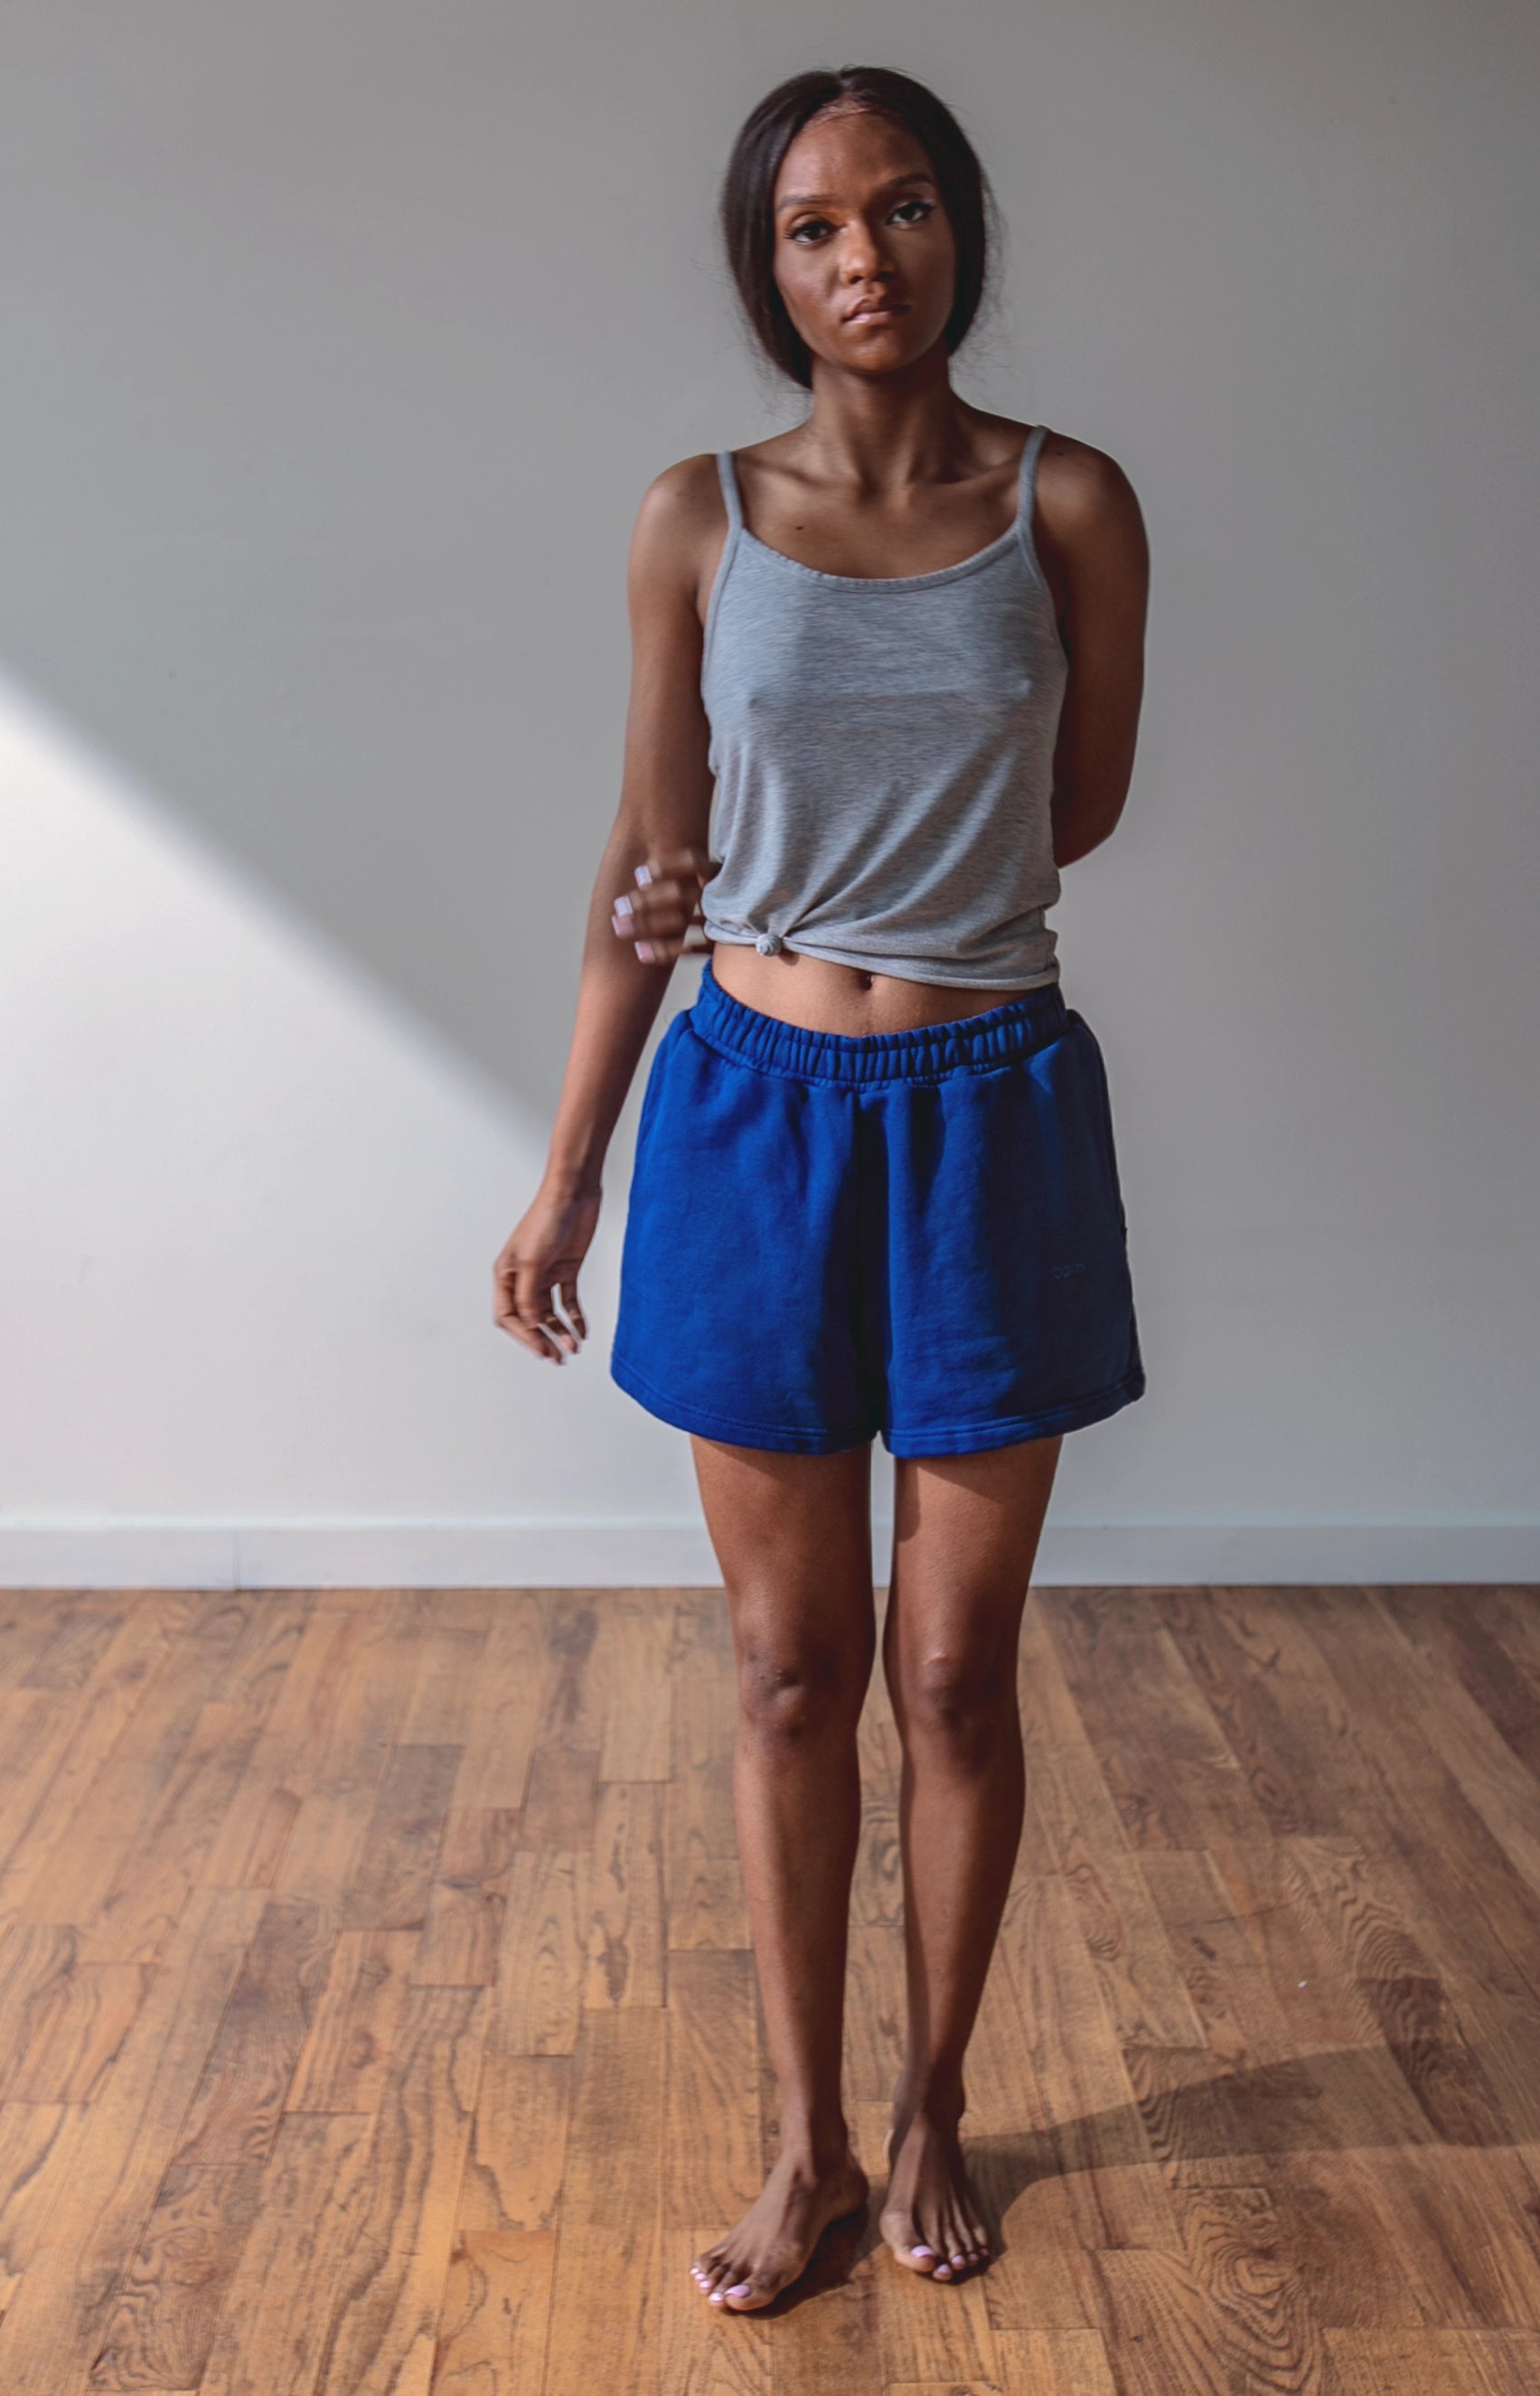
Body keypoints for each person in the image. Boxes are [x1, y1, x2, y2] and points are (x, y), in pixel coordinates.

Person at [493, 63, 1149, 2315]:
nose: (860, 259)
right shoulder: (699, 515)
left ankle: (936, 2099)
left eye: (898, 211)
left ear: (963, 226)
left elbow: (1077, 806)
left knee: (953, 1673)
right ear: (763, 264)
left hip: (987, 1113)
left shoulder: (1069, 508)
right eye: (809, 227)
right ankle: (801, 2142)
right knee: (791, 1672)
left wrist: (911, 906)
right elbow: (648, 868)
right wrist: (570, 1169)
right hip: (749, 1111)